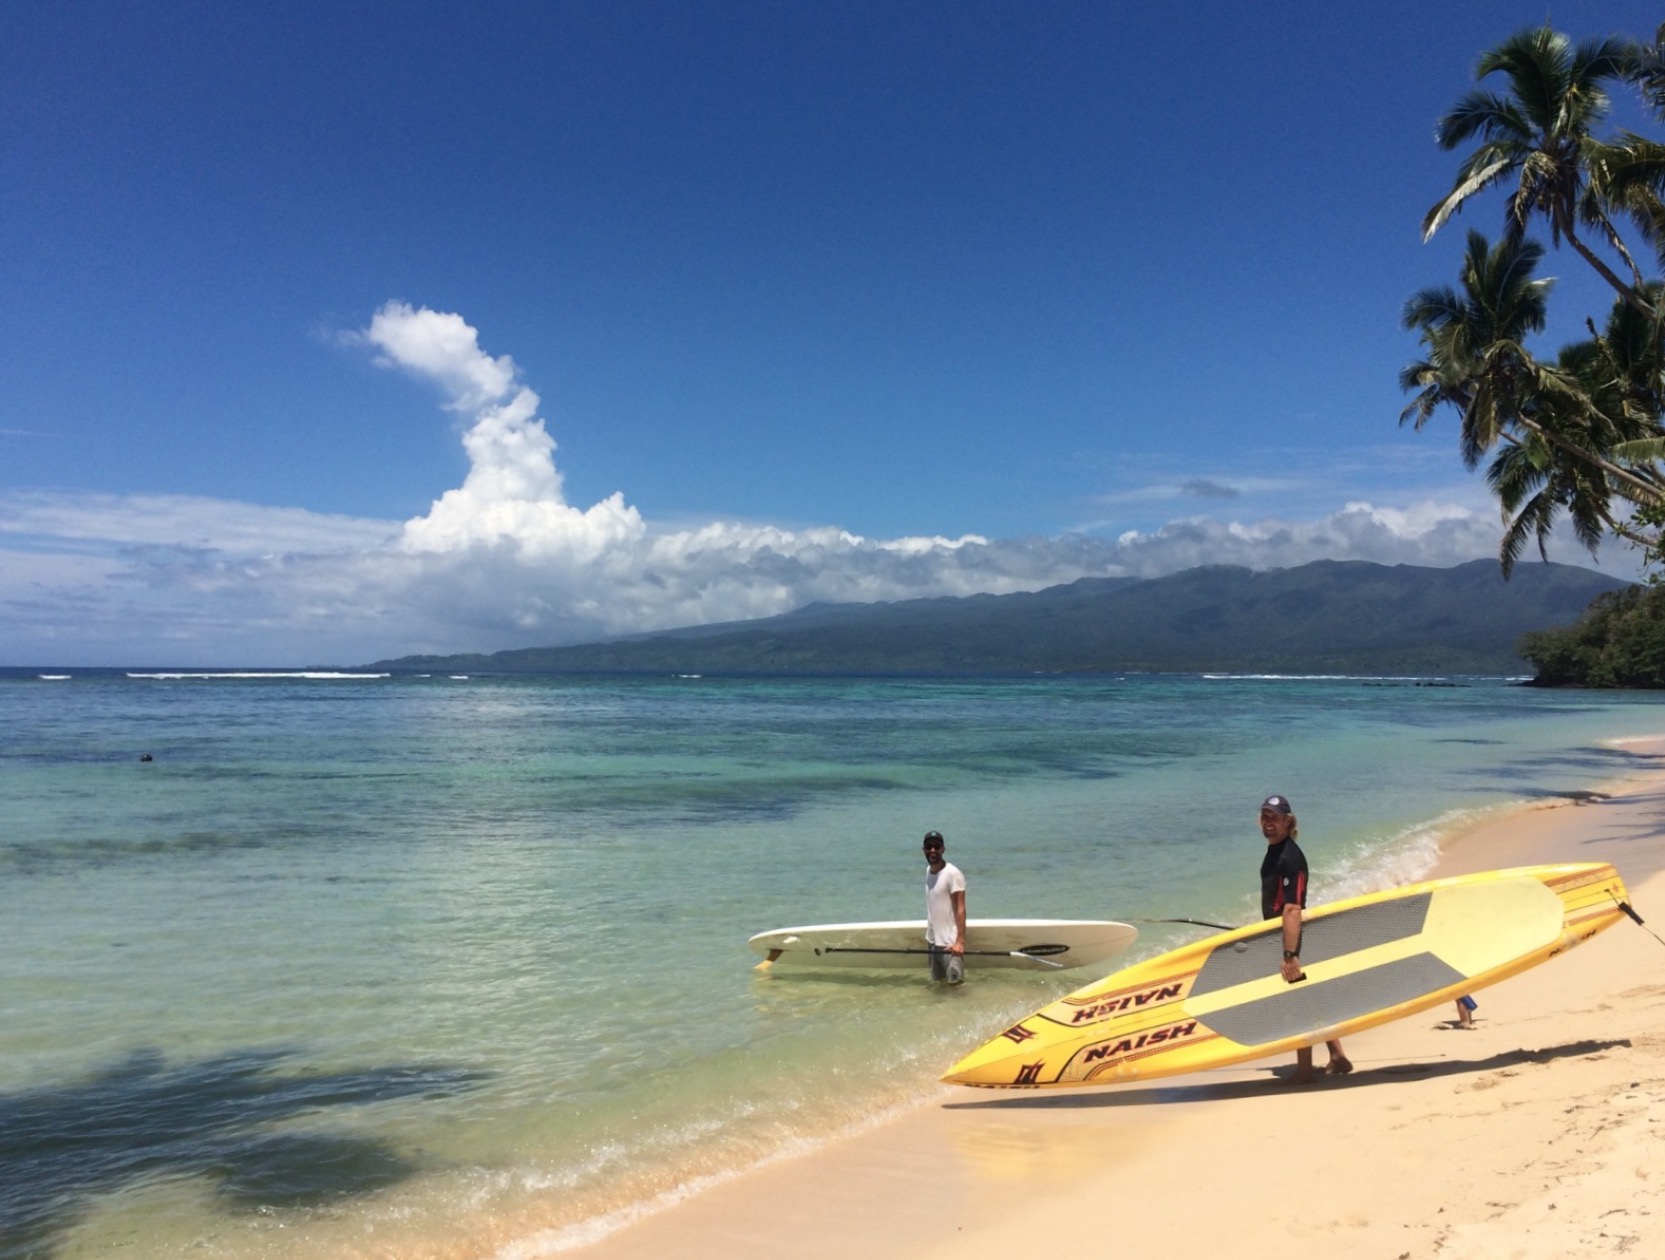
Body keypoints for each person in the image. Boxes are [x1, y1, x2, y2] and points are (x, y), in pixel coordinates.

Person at [1258, 794, 1351, 1084]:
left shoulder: (1290, 857)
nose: (1268, 823)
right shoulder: (1275, 850)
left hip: (1291, 937)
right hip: (1283, 934)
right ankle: (1336, 1055)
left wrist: (1289, 954)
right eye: (1264, 817)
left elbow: (1293, 907)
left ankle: (1304, 1070)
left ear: (1288, 821)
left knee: (1298, 1001)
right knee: (1309, 999)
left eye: (1274, 818)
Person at [922, 830, 966, 984]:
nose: (932, 850)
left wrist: (960, 943)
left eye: (936, 846)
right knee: (937, 985)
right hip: (933, 943)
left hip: (950, 945)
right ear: (924, 850)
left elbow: (960, 909)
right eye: (929, 846)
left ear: (943, 849)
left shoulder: (953, 874)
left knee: (956, 988)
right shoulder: (928, 871)